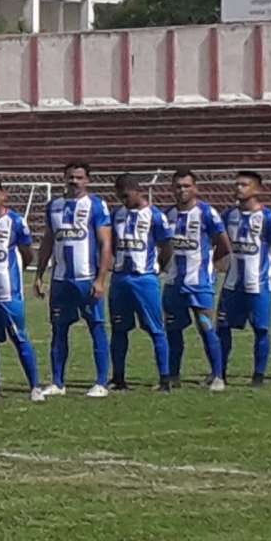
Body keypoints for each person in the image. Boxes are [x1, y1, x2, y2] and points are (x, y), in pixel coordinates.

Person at [35, 159, 114, 398]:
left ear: (87, 180)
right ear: (64, 177)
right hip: (60, 280)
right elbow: (48, 240)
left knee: (96, 327)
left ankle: (101, 381)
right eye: (71, 176)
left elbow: (106, 243)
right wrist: (39, 274)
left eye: (79, 177)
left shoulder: (96, 205)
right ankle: (58, 382)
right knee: (59, 330)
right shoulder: (54, 206)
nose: (74, 181)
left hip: (87, 278)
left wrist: (101, 279)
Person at [0, 176, 47, 402]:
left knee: (19, 337)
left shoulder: (15, 221)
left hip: (9, 292)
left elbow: (26, 252)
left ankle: (35, 386)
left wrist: (16, 273)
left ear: (3, 195)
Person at [159, 168, 230, 390]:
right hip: (173, 283)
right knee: (173, 329)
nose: (182, 190)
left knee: (205, 325)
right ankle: (173, 376)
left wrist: (209, 263)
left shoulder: (207, 213)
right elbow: (163, 245)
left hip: (199, 282)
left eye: (187, 186)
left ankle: (218, 376)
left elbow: (225, 245)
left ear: (195, 188)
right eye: (178, 186)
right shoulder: (167, 214)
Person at [216, 170, 271, 386]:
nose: (238, 188)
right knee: (223, 328)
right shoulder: (228, 216)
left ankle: (258, 375)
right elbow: (220, 245)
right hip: (232, 284)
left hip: (258, 285)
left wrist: (269, 269)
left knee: (261, 329)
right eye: (236, 184)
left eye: (244, 184)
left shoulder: (267, 217)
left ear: (257, 189)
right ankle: (220, 372)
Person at [106, 172, 171, 393]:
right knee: (118, 328)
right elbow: (112, 243)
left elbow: (166, 245)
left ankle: (164, 378)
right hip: (120, 278)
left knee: (155, 329)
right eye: (120, 197)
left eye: (126, 196)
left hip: (145, 279)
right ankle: (118, 378)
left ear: (137, 191)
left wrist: (159, 267)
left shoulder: (154, 215)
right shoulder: (117, 215)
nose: (123, 200)